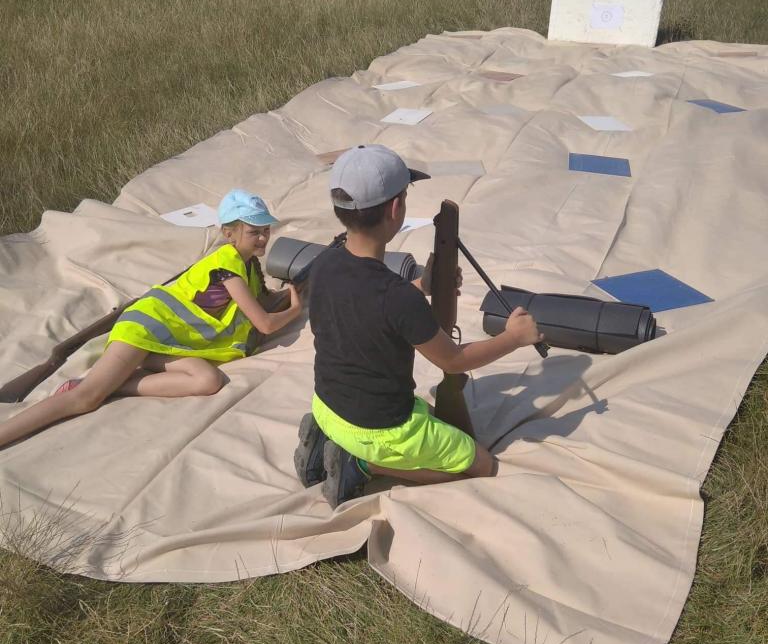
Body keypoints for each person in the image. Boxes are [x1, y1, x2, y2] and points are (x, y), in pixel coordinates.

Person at [293, 144, 544, 507]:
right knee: (482, 467)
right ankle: (360, 464)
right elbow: (454, 361)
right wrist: (513, 337)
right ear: (396, 209)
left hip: (326, 408)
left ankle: (329, 440)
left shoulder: (324, 264)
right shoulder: (397, 298)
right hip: (379, 428)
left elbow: (368, 305)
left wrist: (423, 285)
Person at [0, 190, 302, 449]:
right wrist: (296, 308)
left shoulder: (246, 266)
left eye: (265, 229)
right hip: (145, 328)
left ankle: (114, 384)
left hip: (169, 340)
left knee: (208, 380)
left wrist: (292, 290)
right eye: (254, 231)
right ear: (228, 233)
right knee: (85, 398)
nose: (263, 237)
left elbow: (259, 303)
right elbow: (265, 324)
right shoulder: (226, 264)